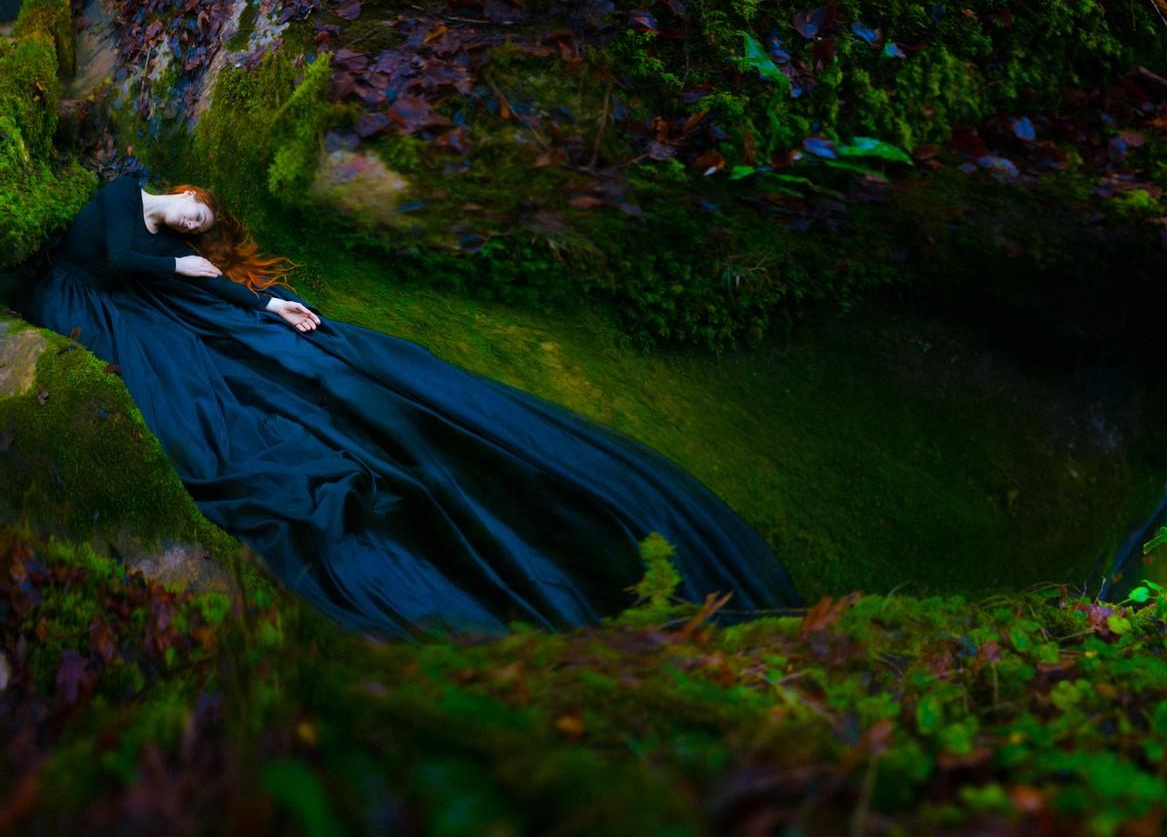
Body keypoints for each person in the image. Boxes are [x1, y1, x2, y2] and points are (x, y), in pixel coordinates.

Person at [21, 173, 804, 640]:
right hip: (91, 300)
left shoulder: (158, 235)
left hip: (141, 297)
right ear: (184, 194)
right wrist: (192, 264)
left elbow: (160, 264)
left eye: (203, 224)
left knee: (312, 360)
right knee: (236, 398)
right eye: (198, 213)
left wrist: (262, 304)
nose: (198, 224)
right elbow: (124, 255)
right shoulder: (128, 192)